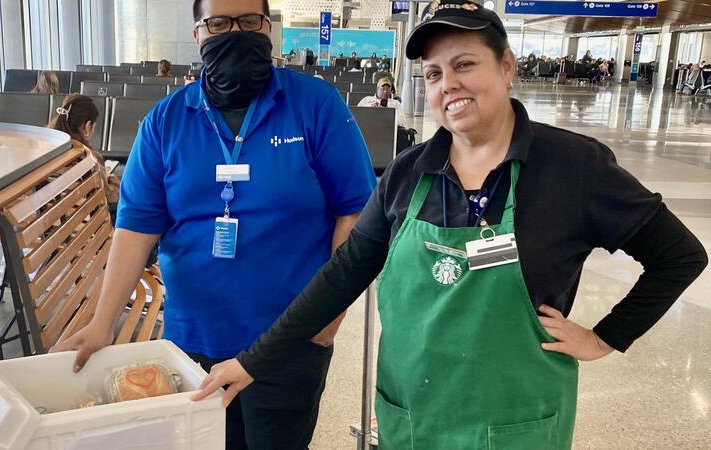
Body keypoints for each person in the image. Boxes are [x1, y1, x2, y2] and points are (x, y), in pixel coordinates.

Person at [193, 2, 708, 449]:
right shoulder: (407, 173)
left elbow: (680, 256)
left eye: (465, 64)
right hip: (413, 418)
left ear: (506, 66)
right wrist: (252, 361)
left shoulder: (573, 167)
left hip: (520, 423)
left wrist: (606, 337)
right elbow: (341, 275)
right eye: (434, 74)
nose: (448, 84)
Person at [51, 1, 376, 449]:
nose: (235, 33)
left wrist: (327, 319)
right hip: (191, 343)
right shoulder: (165, 122)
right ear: (198, 34)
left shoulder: (315, 105)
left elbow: (355, 212)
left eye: (249, 22)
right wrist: (103, 322)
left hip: (289, 340)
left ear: (268, 28)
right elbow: (135, 227)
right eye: (219, 23)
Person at [47, 94, 119, 204]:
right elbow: (107, 198)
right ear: (87, 126)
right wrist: (115, 185)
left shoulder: (44, 150)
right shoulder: (90, 158)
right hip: (83, 219)